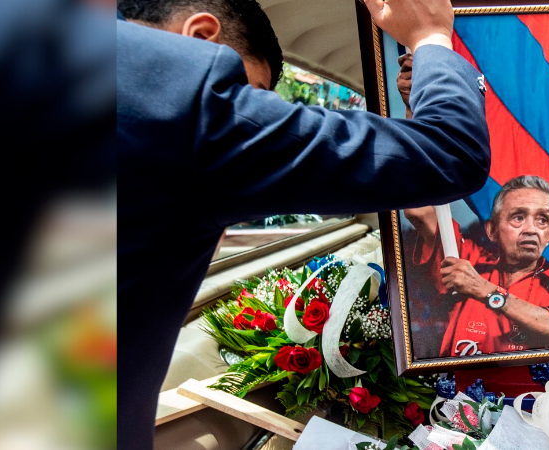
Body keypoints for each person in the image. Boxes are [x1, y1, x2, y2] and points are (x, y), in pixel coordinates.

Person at [116, 0, 490, 447]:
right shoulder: (186, 101)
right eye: (248, 93)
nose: (250, 111)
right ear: (199, 38)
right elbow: (450, 154)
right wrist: (430, 36)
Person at [403, 176, 549, 357]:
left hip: (530, 386)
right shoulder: (469, 261)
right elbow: (418, 212)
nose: (531, 229)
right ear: (492, 230)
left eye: (542, 220)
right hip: (463, 383)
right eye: (518, 217)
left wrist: (484, 290)